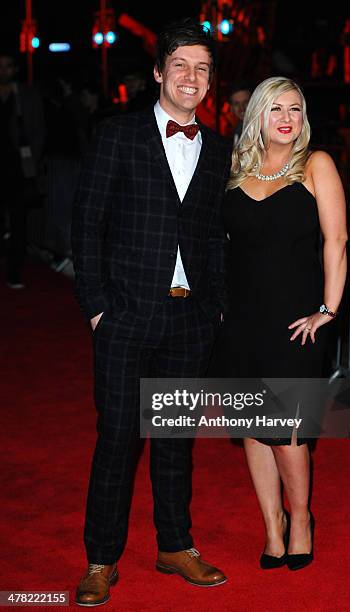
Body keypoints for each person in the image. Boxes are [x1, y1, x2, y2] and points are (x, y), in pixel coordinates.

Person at [72, 19, 231, 607]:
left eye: (203, 68)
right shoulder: (118, 136)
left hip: (190, 321)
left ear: (210, 81)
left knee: (174, 439)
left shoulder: (218, 150)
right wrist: (95, 307)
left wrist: (216, 307)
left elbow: (215, 236)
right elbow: (86, 223)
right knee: (117, 437)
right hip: (125, 316)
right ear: (160, 72)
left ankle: (175, 545)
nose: (192, 78)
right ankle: (101, 559)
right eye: (182, 66)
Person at [212, 76, 347, 571]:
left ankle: (302, 519)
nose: (286, 118)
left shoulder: (316, 165)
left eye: (294, 108)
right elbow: (220, 248)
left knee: (285, 430)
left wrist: (328, 310)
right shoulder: (234, 168)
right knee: (252, 428)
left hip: (297, 322)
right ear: (257, 118)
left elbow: (336, 243)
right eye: (275, 109)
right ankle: (272, 528)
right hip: (242, 321)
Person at [0, 50, 45, 288]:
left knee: (19, 220)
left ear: (14, 69)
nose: (3, 70)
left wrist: (32, 161)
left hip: (18, 167)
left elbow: (39, 129)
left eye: (7, 66)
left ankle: (14, 271)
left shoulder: (25, 95)